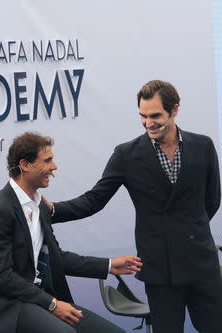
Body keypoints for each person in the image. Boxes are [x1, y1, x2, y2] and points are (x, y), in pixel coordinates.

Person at [47, 80, 222, 333]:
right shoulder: (126, 155)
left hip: (202, 267)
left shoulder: (203, 146)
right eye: (142, 116)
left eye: (155, 116)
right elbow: (95, 199)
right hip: (160, 272)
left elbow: (212, 201)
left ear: (174, 110)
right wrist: (52, 211)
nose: (148, 122)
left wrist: (189, 229)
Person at [0, 132, 142, 333]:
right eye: (47, 160)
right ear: (25, 165)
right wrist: (52, 304)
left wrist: (109, 265)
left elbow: (57, 259)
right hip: (6, 304)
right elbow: (2, 278)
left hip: (39, 298)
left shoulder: (40, 207)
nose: (54, 167)